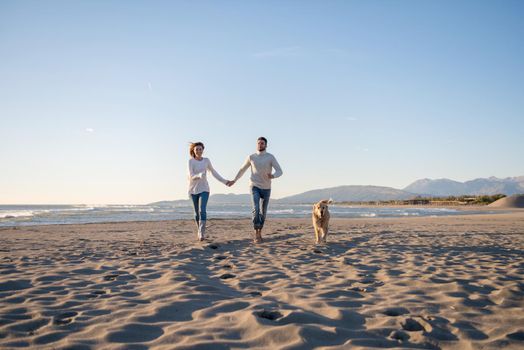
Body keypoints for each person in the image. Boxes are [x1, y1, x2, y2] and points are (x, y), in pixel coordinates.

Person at [227, 137, 282, 243]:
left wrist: (273, 176)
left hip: (266, 188)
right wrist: (234, 180)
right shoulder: (251, 157)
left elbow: (280, 171)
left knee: (263, 212)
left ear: (266, 145)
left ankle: (260, 231)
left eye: (262, 143)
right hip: (254, 186)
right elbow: (242, 169)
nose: (260, 145)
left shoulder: (270, 157)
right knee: (256, 209)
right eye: (258, 143)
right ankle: (256, 233)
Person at [188, 142, 230, 241]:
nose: (198, 151)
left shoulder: (206, 161)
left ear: (203, 150)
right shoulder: (191, 161)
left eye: (200, 149)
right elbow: (191, 176)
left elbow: (214, 172)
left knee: (202, 210)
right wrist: (199, 175)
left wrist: (225, 181)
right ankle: (199, 229)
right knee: (196, 213)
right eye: (197, 149)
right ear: (194, 151)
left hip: (204, 189)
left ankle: (201, 232)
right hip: (192, 190)